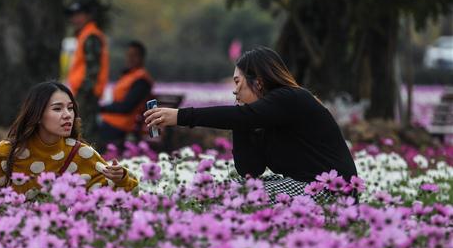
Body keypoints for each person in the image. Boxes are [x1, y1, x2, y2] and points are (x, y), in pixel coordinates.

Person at [144, 46, 357, 201]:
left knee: (235, 196)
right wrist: (242, 121)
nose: (235, 90)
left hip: (331, 191)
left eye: (238, 82)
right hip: (302, 187)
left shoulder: (290, 97)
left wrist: (180, 116)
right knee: (216, 191)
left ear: (258, 82)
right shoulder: (261, 118)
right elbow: (250, 170)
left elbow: (245, 117)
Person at [0, 81, 138, 197]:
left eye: (70, 108)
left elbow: (117, 198)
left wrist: (121, 179)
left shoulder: (81, 154)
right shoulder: (8, 152)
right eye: (57, 109)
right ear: (37, 115)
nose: (67, 115)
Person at [65, 0, 109, 146]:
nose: (75, 19)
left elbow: (93, 70)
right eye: (73, 15)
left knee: (84, 131)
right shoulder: (85, 35)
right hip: (83, 91)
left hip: (87, 92)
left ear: (88, 16)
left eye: (79, 15)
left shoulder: (91, 36)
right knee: (83, 130)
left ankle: (90, 157)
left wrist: (84, 93)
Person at [98, 40, 154, 149]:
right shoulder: (129, 75)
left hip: (120, 126)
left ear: (142, 58)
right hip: (110, 122)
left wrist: (102, 108)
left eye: (134, 55)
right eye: (128, 55)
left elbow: (126, 107)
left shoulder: (141, 80)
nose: (130, 59)